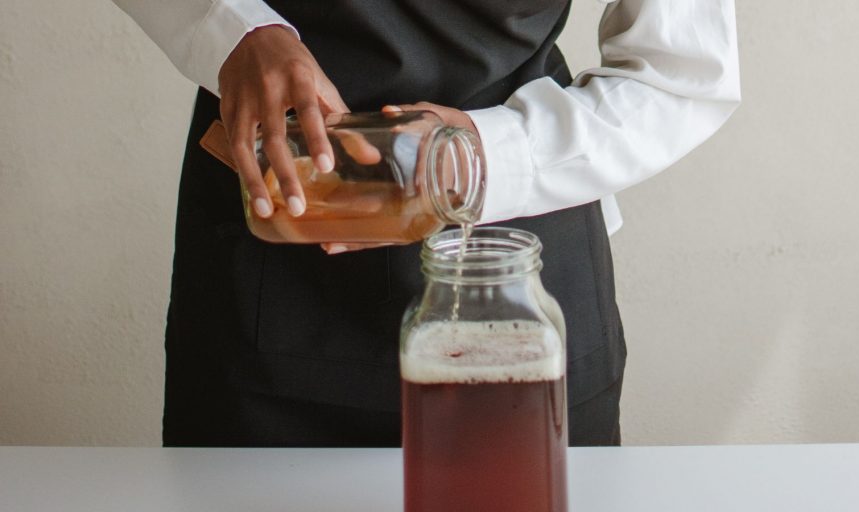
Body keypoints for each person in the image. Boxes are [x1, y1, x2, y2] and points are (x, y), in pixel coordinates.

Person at [111, 0, 741, 447]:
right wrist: (234, 30)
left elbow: (682, 72)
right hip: (269, 277)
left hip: (521, 283)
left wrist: (478, 158)